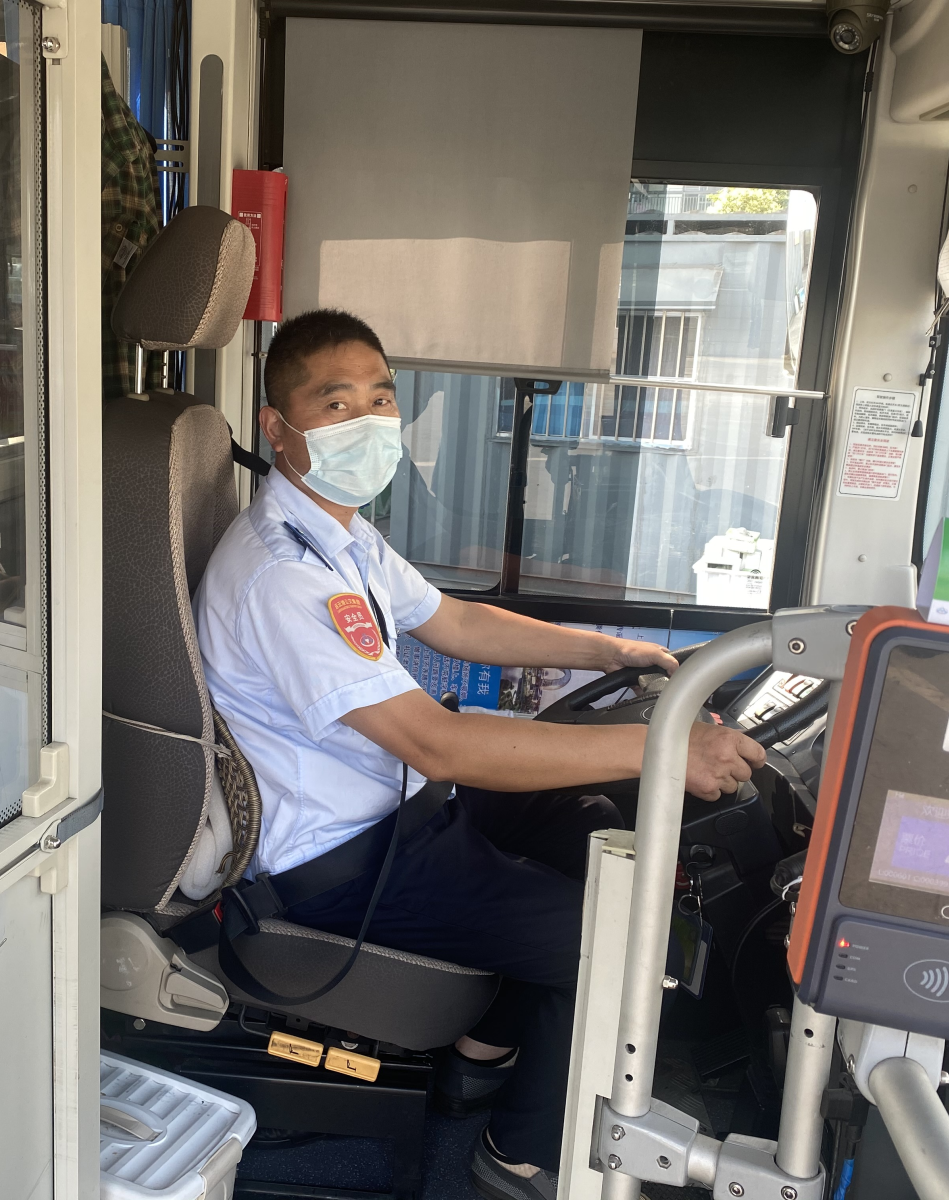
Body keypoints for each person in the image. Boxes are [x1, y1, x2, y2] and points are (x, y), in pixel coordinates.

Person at [192, 309, 764, 1200]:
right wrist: (665, 748)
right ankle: (517, 1155)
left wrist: (611, 650)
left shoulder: (337, 533)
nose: (367, 422)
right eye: (335, 405)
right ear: (278, 427)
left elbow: (454, 621)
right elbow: (438, 742)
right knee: (613, 940)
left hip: (401, 808)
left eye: (380, 399)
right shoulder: (284, 574)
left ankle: (480, 1055)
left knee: (585, 822)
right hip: (344, 862)